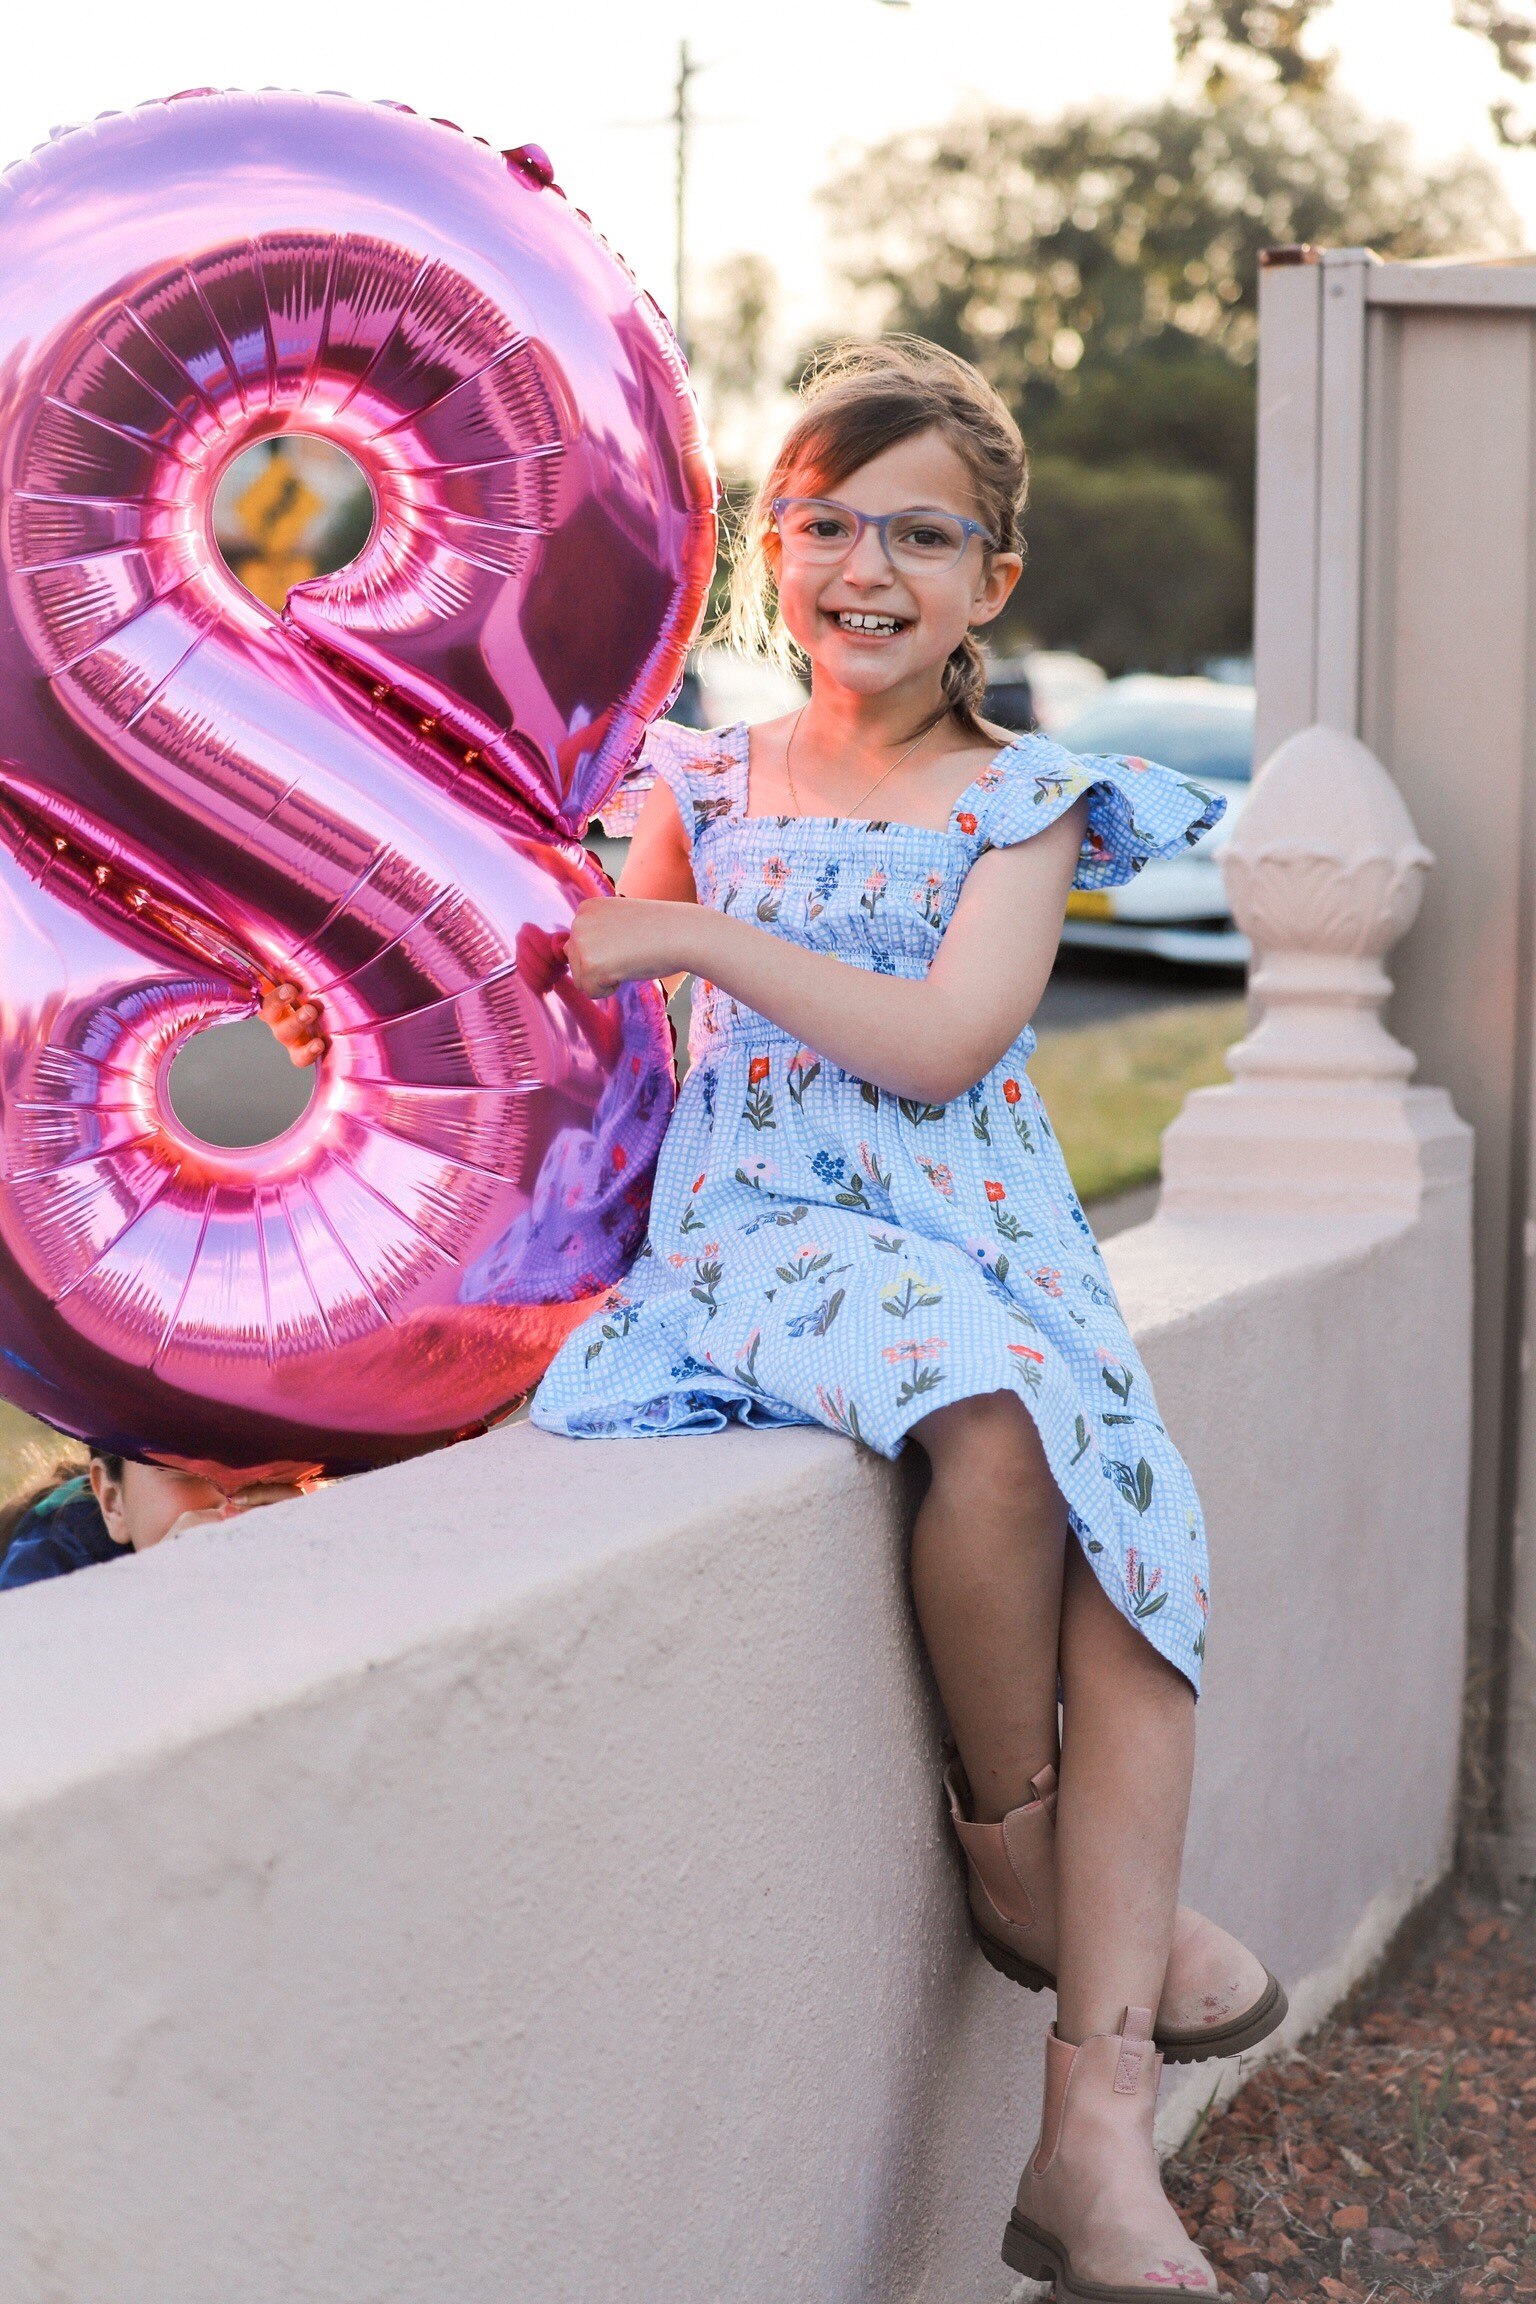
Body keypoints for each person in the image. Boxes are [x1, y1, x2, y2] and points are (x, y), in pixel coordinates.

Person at [524, 338, 1283, 2298]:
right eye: (824, 521)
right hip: (768, 1229)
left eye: (921, 533)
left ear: (993, 581)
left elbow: (949, 1050)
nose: (867, 564)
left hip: (984, 1226)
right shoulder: (704, 773)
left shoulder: (1029, 798)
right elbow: (576, 1004)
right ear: (772, 550)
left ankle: (1090, 2134)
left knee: (1137, 1533)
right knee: (998, 1421)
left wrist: (694, 932)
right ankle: (1025, 1861)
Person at [0, 1450, 309, 1590]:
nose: (229, 1500)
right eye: (186, 1474)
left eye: (270, 1473)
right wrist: (156, 1587)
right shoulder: (48, 1565)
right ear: (112, 1501)